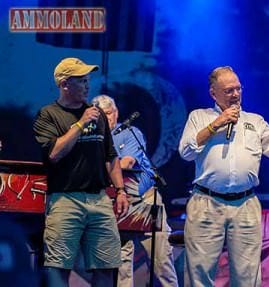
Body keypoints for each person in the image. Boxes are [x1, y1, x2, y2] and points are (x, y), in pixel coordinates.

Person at [178, 66, 269, 286]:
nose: (235, 94)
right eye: (228, 91)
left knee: (248, 275)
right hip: (207, 202)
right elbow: (186, 152)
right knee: (199, 273)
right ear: (213, 93)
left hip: (245, 203)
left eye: (238, 89)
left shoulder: (254, 121)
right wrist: (216, 124)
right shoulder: (199, 117)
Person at [33, 57, 129, 287]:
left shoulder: (98, 116)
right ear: (64, 84)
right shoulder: (48, 115)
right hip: (65, 200)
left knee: (106, 267)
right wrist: (79, 125)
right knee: (58, 267)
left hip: (100, 199)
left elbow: (111, 156)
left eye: (88, 80)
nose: (87, 85)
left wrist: (121, 190)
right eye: (81, 81)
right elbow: (54, 153)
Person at [92, 95, 179, 287]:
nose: (107, 119)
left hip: (146, 200)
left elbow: (126, 163)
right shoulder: (94, 140)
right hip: (118, 203)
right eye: (101, 116)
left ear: (116, 113)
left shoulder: (130, 133)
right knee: (122, 262)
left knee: (160, 261)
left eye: (109, 114)